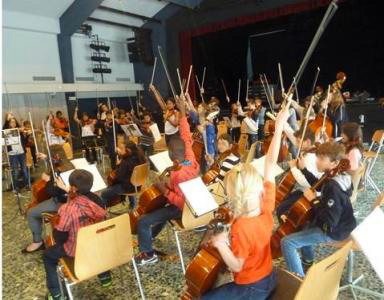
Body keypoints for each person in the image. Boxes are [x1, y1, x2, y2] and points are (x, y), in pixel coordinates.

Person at [201, 98, 292, 300]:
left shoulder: (242, 227)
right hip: (268, 275)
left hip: (251, 287)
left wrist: (221, 244)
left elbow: (237, 265)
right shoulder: (265, 204)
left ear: (231, 194)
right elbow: (270, 162)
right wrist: (278, 129)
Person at [135, 95, 199, 266]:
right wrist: (183, 112)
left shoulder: (179, 175)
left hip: (183, 210)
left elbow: (181, 202)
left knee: (142, 220)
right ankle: (149, 238)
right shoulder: (190, 157)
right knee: (159, 212)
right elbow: (185, 134)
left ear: (174, 159)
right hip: (195, 203)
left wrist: (164, 190)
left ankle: (148, 255)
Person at [280, 141, 356, 277]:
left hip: (334, 231)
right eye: (318, 157)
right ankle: (308, 261)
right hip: (342, 224)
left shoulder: (333, 186)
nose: (317, 162)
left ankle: (299, 281)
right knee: (302, 225)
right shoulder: (334, 175)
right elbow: (319, 186)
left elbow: (330, 221)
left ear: (334, 163)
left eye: (321, 159)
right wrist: (303, 169)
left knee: (287, 242)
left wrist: (313, 200)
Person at [42, 169, 108, 300]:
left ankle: (56, 293)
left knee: (48, 255)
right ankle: (105, 277)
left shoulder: (67, 209)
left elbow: (60, 238)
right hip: (97, 244)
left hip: (77, 250)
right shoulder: (98, 201)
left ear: (73, 187)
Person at [22, 146, 74, 253]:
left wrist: (48, 180)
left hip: (61, 202)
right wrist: (46, 158)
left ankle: (38, 242)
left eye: (50, 156)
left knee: (31, 213)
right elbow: (56, 162)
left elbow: (51, 192)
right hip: (71, 199)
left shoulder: (57, 172)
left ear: (56, 157)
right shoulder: (69, 164)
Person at [276, 127, 323, 220]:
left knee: (281, 210)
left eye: (299, 141)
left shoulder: (310, 158)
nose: (297, 145)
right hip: (301, 190)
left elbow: (306, 182)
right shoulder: (308, 153)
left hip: (306, 193)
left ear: (308, 142)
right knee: (282, 205)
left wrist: (293, 167)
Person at [100, 141, 146, 208]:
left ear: (128, 150)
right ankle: (133, 205)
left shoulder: (125, 162)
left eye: (121, 148)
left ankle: (103, 211)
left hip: (127, 187)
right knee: (129, 182)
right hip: (138, 185)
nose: (118, 149)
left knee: (103, 194)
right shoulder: (140, 157)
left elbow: (119, 177)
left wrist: (118, 165)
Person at [3, 115, 29, 192]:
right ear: (9, 123)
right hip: (12, 154)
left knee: (24, 169)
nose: (13, 123)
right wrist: (7, 120)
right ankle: (16, 187)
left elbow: (25, 142)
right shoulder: (7, 131)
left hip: (21, 152)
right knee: (15, 171)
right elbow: (4, 130)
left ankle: (27, 185)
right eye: (11, 122)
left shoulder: (19, 131)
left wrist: (26, 135)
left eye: (14, 122)